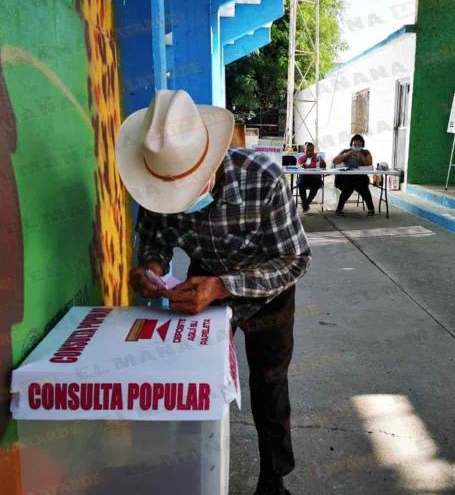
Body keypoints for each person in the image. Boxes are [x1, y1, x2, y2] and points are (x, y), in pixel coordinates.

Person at [115, 90, 311, 495]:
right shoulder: (156, 178)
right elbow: (155, 241)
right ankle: (192, 475)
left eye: (189, 189)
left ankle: (274, 481)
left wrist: (223, 286)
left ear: (212, 162)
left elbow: (294, 260)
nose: (180, 202)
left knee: (269, 384)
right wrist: (151, 269)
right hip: (201, 284)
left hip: (267, 291)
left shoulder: (263, 178)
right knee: (191, 382)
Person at [332, 134, 375, 216]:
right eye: (355, 144)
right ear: (351, 144)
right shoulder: (346, 151)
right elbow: (335, 161)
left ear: (362, 145)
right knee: (349, 186)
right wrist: (346, 155)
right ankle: (339, 209)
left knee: (361, 186)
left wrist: (361, 157)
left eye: (359, 145)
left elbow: (370, 165)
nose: (356, 146)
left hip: (360, 178)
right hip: (345, 178)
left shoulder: (365, 152)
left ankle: (371, 209)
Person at [296, 142, 326, 213]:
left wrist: (322, 163)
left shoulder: (317, 157)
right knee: (301, 183)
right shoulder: (301, 158)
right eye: (308, 150)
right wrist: (302, 164)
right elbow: (299, 166)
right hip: (304, 177)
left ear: (314, 150)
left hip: (315, 177)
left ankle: (306, 203)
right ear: (304, 150)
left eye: (311, 151)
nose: (309, 152)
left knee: (316, 183)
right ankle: (305, 203)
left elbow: (324, 166)